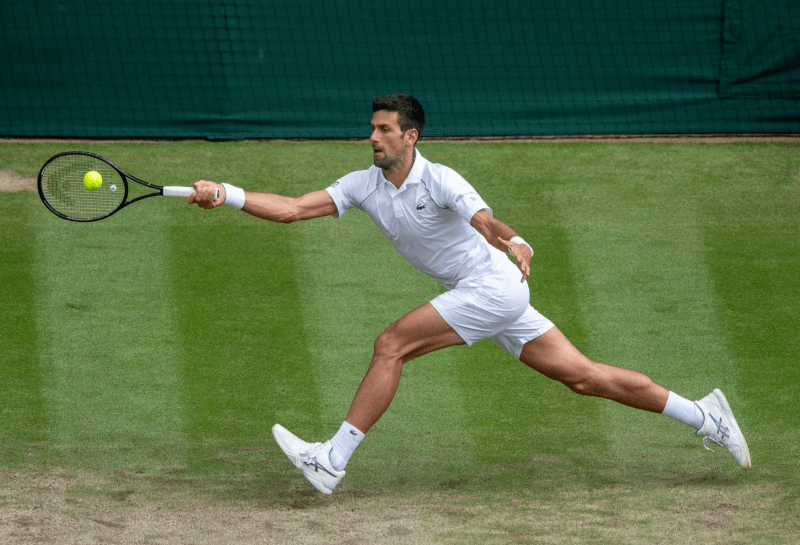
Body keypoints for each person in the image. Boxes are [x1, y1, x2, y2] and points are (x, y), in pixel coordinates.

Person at [188, 94, 750, 495]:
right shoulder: (362, 184)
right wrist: (228, 193)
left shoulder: (442, 179)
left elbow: (484, 220)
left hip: (493, 286)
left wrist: (517, 239)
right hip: (487, 294)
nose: (374, 137)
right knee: (584, 376)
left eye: (385, 130)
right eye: (372, 128)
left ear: (411, 136)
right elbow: (292, 208)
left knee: (392, 345)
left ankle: (332, 460)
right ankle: (704, 416)